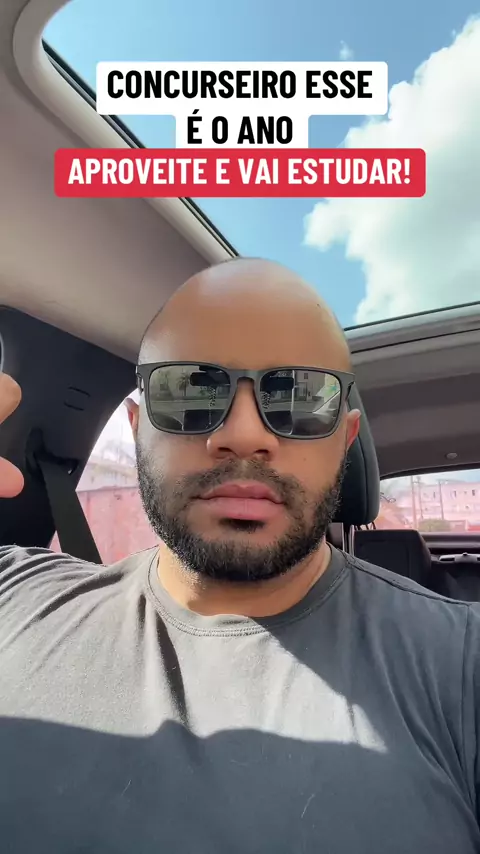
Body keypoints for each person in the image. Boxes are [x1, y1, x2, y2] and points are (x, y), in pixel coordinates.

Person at [0, 258, 479, 853]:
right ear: (138, 426)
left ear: (345, 440)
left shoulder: (461, 665)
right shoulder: (16, 594)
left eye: (299, 396)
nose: (245, 434)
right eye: (190, 390)